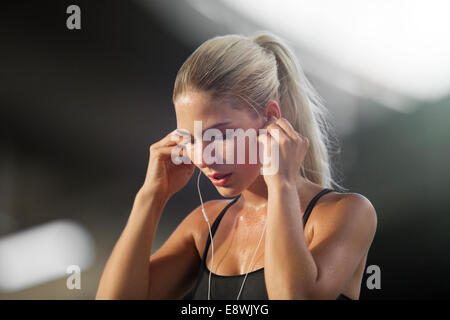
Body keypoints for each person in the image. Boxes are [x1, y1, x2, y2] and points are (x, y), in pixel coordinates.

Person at [95, 31, 377, 300]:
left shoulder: (346, 214)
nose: (204, 158)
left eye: (222, 135)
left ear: (270, 118)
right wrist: (150, 197)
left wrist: (282, 183)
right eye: (191, 140)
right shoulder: (205, 226)